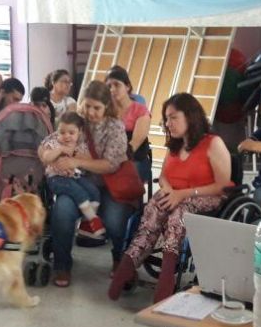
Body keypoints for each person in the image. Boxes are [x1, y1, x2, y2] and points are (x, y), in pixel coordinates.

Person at [109, 93, 231, 302]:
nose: (168, 123)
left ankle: (166, 279)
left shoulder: (213, 143)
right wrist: (167, 190)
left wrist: (181, 194)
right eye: (166, 118)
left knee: (178, 214)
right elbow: (164, 176)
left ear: (190, 116)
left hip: (207, 195)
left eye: (173, 117)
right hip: (176, 193)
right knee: (154, 208)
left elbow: (221, 185)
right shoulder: (175, 144)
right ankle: (126, 268)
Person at [49, 81, 137, 287]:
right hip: (77, 183)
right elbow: (55, 141)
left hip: (110, 185)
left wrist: (77, 161)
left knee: (115, 220)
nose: (90, 112)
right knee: (62, 211)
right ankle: (62, 265)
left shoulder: (115, 127)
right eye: (87, 106)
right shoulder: (76, 121)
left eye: (96, 108)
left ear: (107, 106)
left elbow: (110, 165)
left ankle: (120, 259)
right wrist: (54, 155)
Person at [39, 112, 105, 242]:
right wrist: (60, 150)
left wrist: (75, 154)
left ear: (79, 132)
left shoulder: (81, 145)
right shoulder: (54, 143)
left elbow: (90, 159)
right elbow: (46, 158)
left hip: (75, 176)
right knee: (79, 193)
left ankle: (86, 224)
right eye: (62, 132)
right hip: (56, 178)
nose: (66, 136)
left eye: (71, 133)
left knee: (94, 192)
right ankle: (93, 219)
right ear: (57, 132)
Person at [107, 66, 152, 184]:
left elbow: (134, 145)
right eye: (109, 86)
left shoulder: (140, 110)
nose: (112, 89)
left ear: (127, 86)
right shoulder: (105, 111)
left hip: (134, 158)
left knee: (123, 176)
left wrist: (112, 163)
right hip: (109, 158)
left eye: (117, 85)